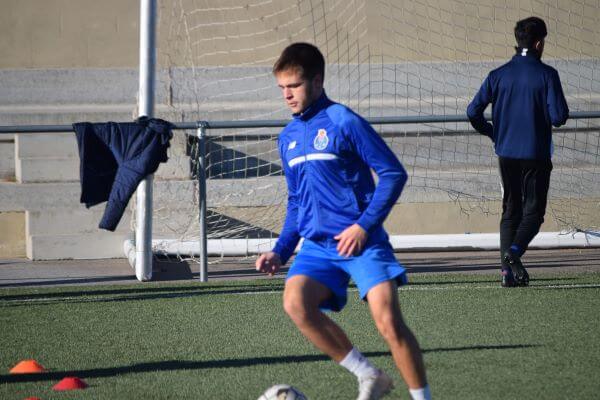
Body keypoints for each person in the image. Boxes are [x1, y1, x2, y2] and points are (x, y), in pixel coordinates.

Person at [255, 42, 430, 400]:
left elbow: (393, 174)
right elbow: (296, 201)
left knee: (388, 323)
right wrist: (280, 250)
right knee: (295, 303)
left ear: (317, 81)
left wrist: (364, 225)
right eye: (282, 88)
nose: (287, 95)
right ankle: (369, 376)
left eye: (295, 86)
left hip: (362, 241)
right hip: (319, 247)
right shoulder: (288, 138)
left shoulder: (344, 121)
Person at [467, 17, 569, 287]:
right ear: (539, 43)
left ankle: (506, 273)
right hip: (536, 154)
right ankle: (513, 254)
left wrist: (493, 132)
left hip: (506, 153)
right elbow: (559, 116)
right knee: (534, 213)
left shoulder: (498, 75)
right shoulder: (547, 75)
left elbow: (472, 112)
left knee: (511, 210)